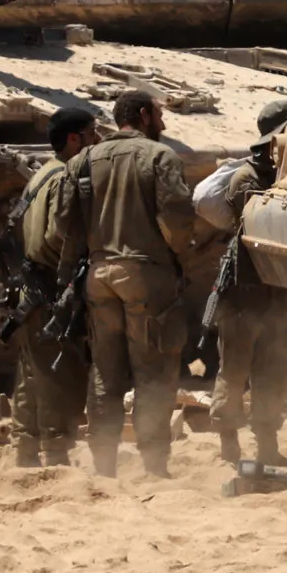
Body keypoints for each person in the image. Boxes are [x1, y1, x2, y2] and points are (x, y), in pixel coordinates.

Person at [65, 90, 194, 478]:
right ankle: (154, 466)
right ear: (143, 114)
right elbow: (176, 220)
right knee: (154, 371)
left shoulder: (83, 160)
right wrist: (177, 257)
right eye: (159, 114)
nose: (163, 122)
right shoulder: (159, 157)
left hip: (99, 275)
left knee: (105, 371)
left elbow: (65, 226)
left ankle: (103, 466)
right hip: (145, 275)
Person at [206, 98, 287, 466]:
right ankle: (229, 445)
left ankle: (267, 447)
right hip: (244, 294)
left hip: (278, 295)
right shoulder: (246, 178)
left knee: (273, 372)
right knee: (234, 371)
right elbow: (261, 222)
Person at [7, 106, 97, 467]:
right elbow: (58, 234)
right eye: (92, 133)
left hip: (31, 288)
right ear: (74, 139)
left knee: (31, 372)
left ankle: (25, 451)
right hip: (49, 289)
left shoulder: (41, 174)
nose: (97, 141)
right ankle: (57, 455)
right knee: (60, 372)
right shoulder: (64, 178)